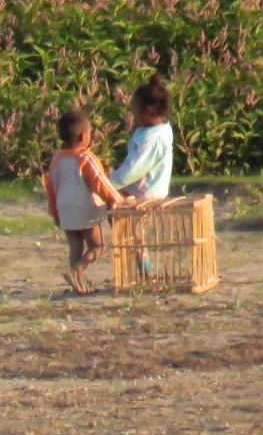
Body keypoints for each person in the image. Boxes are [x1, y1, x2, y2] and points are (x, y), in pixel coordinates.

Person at [44, 110, 126, 295]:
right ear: (82, 136)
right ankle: (76, 272)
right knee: (97, 246)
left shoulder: (56, 160)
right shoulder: (86, 158)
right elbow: (101, 183)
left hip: (65, 210)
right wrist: (116, 200)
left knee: (76, 246)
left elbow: (50, 188)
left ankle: (77, 285)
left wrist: (55, 213)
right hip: (84, 209)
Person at [109, 74, 173, 200]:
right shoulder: (150, 132)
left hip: (146, 195)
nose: (133, 111)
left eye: (135, 107)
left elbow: (134, 170)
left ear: (147, 111)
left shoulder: (154, 139)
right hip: (139, 190)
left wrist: (107, 182)